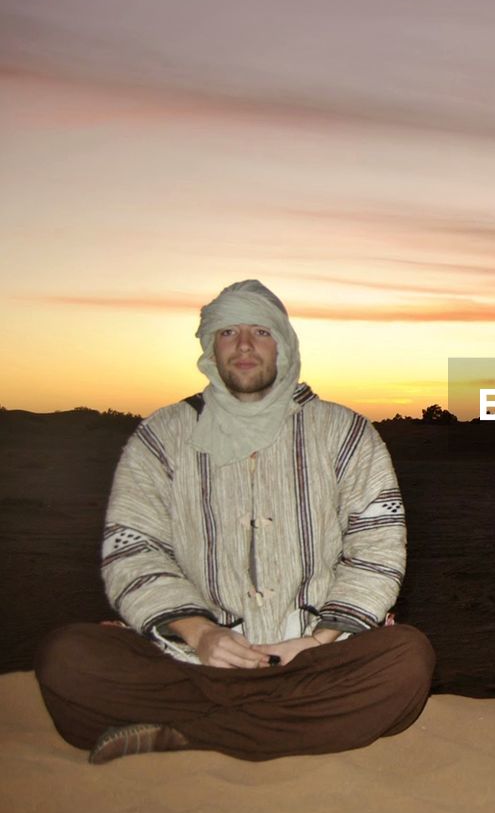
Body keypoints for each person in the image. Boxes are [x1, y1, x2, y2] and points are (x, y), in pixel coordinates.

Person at [34, 280, 434, 763]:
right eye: (228, 332)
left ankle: (184, 733)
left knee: (407, 662)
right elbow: (132, 547)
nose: (244, 345)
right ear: (210, 347)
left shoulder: (344, 433)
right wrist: (201, 634)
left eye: (260, 331)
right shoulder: (163, 435)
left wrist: (315, 641)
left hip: (310, 655)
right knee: (66, 658)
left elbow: (378, 547)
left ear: (283, 344)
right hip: (192, 656)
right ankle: (274, 723)